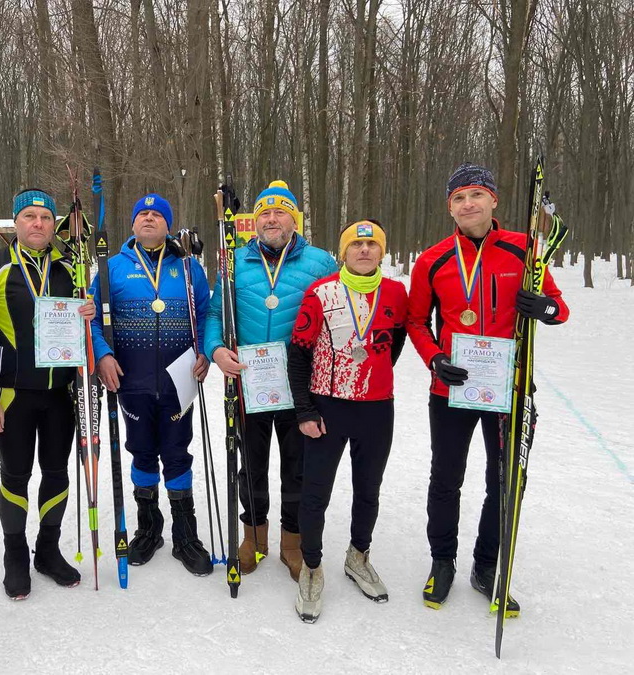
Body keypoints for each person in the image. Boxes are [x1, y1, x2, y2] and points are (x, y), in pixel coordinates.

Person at [407, 163, 570, 613]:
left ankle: (486, 566)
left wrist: (546, 307)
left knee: (504, 481)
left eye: (476, 195)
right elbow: (416, 321)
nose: (468, 204)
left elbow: (560, 310)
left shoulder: (524, 250)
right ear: (449, 208)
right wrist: (435, 359)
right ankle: (443, 561)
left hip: (510, 390)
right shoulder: (433, 259)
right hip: (452, 391)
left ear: (493, 200)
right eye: (458, 198)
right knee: (446, 478)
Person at [0, 188, 96, 600]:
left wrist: (88, 311)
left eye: (44, 217)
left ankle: (48, 551)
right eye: (29, 217)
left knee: (57, 472)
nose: (37, 224)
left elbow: (85, 330)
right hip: (13, 395)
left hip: (60, 394)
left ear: (53, 223)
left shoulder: (71, 267)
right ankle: (15, 554)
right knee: (15, 476)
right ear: (16, 222)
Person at [205, 180, 337, 582]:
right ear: (253, 221)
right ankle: (253, 537)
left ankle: (291, 543)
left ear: (294, 219)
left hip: (299, 386)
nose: (272, 219)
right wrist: (216, 350)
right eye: (264, 212)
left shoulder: (320, 261)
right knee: (251, 467)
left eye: (281, 212)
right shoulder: (234, 261)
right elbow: (214, 315)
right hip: (249, 384)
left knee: (297, 468)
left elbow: (338, 318)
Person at [288, 220, 407, 622]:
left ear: (382, 252)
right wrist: (305, 410)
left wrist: (372, 376)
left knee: (368, 490)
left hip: (376, 407)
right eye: (356, 244)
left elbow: (396, 345)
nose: (364, 250)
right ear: (343, 251)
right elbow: (299, 354)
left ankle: (358, 555)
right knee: (315, 493)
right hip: (327, 407)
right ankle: (312, 565)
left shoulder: (395, 292)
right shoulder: (321, 293)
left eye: (372, 243)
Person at [89, 194, 213, 576]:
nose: (148, 218)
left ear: (168, 225)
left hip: (180, 380)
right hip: (132, 380)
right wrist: (103, 355)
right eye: (142, 213)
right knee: (141, 452)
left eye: (157, 215)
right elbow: (91, 318)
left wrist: (207, 349)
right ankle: (148, 528)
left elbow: (208, 315)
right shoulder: (112, 269)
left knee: (177, 453)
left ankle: (186, 534)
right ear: (132, 224)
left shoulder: (189, 268)